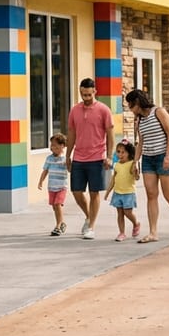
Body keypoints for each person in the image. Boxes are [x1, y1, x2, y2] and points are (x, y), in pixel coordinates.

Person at [125, 89, 169, 243]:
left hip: (164, 156)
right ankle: (153, 232)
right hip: (148, 158)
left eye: (130, 106)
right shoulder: (139, 120)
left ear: (138, 103)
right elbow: (140, 142)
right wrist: (135, 161)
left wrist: (168, 155)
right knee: (151, 195)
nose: (130, 109)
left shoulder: (159, 112)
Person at [67, 78, 114, 239]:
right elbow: (72, 133)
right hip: (79, 157)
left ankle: (91, 227)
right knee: (76, 191)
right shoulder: (74, 110)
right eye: (83, 94)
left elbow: (110, 135)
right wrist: (68, 155)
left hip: (97, 157)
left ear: (95, 91)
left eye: (88, 94)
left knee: (94, 193)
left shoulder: (103, 110)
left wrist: (109, 156)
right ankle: (89, 216)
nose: (85, 97)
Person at [104, 140, 142, 242]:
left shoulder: (131, 164)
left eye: (123, 152)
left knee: (127, 212)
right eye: (118, 151)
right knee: (120, 213)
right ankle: (121, 233)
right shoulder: (116, 165)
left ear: (129, 153)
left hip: (128, 193)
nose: (120, 154)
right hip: (117, 193)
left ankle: (136, 223)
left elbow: (137, 177)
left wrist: (137, 172)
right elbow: (113, 180)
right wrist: (108, 192)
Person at [37, 133, 68, 236]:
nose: (52, 147)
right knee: (54, 207)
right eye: (51, 145)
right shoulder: (49, 158)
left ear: (62, 145)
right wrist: (41, 181)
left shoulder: (65, 158)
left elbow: (71, 170)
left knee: (57, 204)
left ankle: (58, 226)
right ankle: (62, 222)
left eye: (55, 145)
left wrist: (68, 164)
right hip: (51, 187)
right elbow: (45, 170)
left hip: (62, 187)